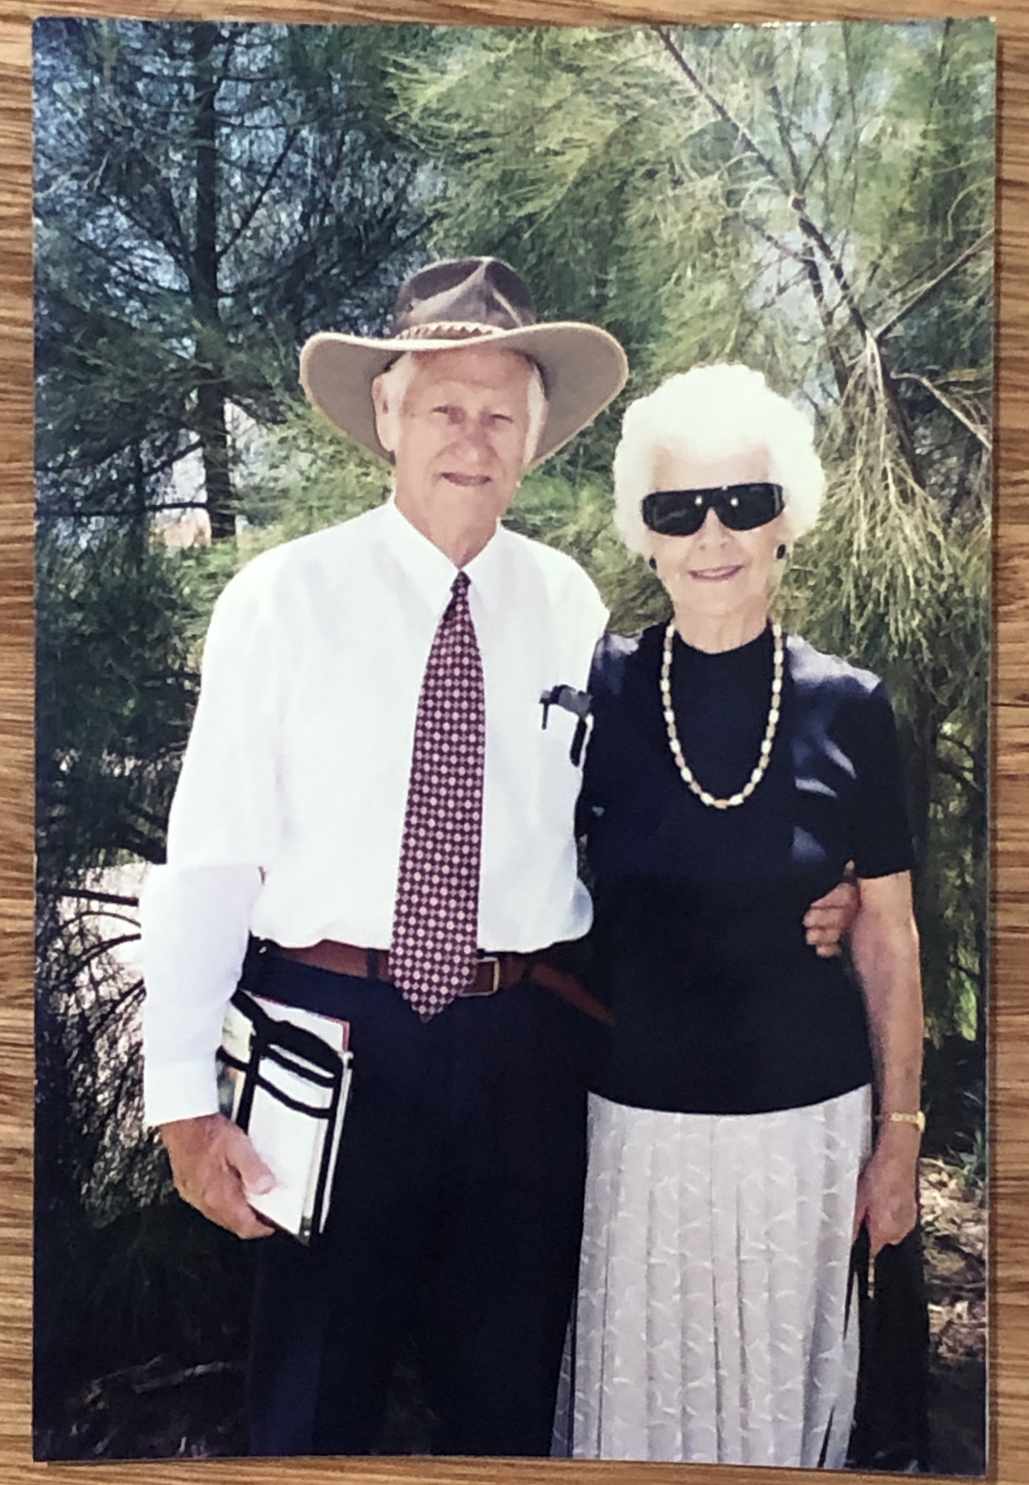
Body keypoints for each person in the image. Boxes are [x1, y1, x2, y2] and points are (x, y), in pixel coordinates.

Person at [140, 261, 854, 1459]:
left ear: (534, 437)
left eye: (499, 413)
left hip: (519, 1057)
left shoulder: (567, 602)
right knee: (311, 1403)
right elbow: (208, 855)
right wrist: (180, 1105)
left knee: (507, 1402)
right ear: (387, 418)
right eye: (442, 407)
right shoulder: (283, 599)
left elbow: (636, 823)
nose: (471, 438)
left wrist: (805, 882)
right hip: (332, 1043)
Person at [558, 364, 924, 1468]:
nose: (712, 533)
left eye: (744, 503)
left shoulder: (849, 707)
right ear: (646, 535)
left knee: (774, 1410)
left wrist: (900, 1139)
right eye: (679, 510)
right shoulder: (596, 692)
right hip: (636, 1130)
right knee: (641, 1415)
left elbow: (891, 940)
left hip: (801, 1129)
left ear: (785, 523)